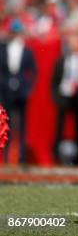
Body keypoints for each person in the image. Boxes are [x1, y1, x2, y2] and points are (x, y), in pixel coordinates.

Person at [0, 19, 37, 164]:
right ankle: (6, 156)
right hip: (6, 91)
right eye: (13, 32)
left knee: (22, 125)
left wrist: (27, 89)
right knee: (5, 125)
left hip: (21, 91)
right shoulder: (3, 49)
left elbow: (33, 72)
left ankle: (21, 157)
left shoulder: (27, 51)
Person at [51, 31, 78, 165]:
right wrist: (56, 96)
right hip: (64, 96)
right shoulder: (61, 60)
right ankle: (57, 156)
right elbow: (54, 81)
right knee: (60, 128)